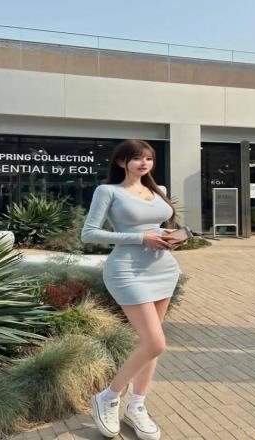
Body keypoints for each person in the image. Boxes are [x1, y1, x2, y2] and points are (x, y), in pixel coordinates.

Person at [81, 139, 182, 440]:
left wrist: (169, 235)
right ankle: (108, 396)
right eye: (137, 158)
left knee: (149, 343)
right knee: (156, 343)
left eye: (148, 158)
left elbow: (156, 225)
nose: (144, 163)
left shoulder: (157, 189)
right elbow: (89, 233)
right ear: (121, 162)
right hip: (127, 271)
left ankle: (137, 405)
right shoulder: (108, 191)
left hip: (163, 269)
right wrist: (141, 238)